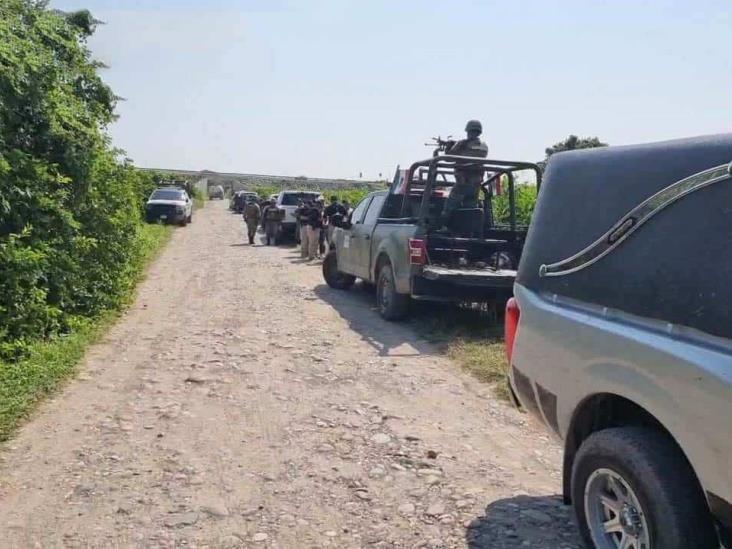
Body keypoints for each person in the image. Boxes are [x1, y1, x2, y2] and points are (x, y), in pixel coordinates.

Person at [440, 119, 489, 227]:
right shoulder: (484, 146)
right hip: (476, 184)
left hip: (463, 182)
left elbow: (448, 158)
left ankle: (443, 227)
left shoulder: (462, 144)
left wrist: (449, 146)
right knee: (470, 209)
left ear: (468, 131)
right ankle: (469, 232)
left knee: (449, 206)